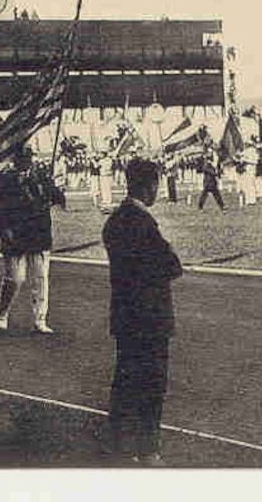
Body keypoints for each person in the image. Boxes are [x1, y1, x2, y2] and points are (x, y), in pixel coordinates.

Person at [103, 158, 183, 465]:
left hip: (125, 314)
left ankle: (118, 444)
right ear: (149, 186)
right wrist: (171, 254)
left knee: (124, 381)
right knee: (152, 384)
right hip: (150, 316)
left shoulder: (114, 220)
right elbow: (171, 266)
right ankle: (148, 449)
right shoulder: (145, 224)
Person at [0, 145, 66, 334]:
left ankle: (40, 319)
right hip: (15, 235)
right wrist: (4, 230)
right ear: (16, 160)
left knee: (40, 279)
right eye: (23, 158)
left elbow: (57, 197)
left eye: (29, 157)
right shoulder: (6, 179)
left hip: (39, 234)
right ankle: (2, 313)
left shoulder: (41, 175)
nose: (27, 161)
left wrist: (54, 195)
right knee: (15, 278)